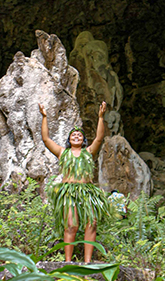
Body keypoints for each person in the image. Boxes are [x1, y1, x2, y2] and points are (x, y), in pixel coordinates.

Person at [39, 101, 111, 263]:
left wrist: (101, 117)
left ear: (84, 140)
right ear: (69, 140)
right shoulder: (62, 152)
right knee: (71, 225)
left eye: (80, 135)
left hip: (87, 192)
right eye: (73, 135)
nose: (77, 136)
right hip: (69, 192)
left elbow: (99, 138)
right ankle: (68, 261)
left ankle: (87, 261)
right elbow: (45, 139)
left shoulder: (88, 152)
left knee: (91, 224)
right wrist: (44, 117)